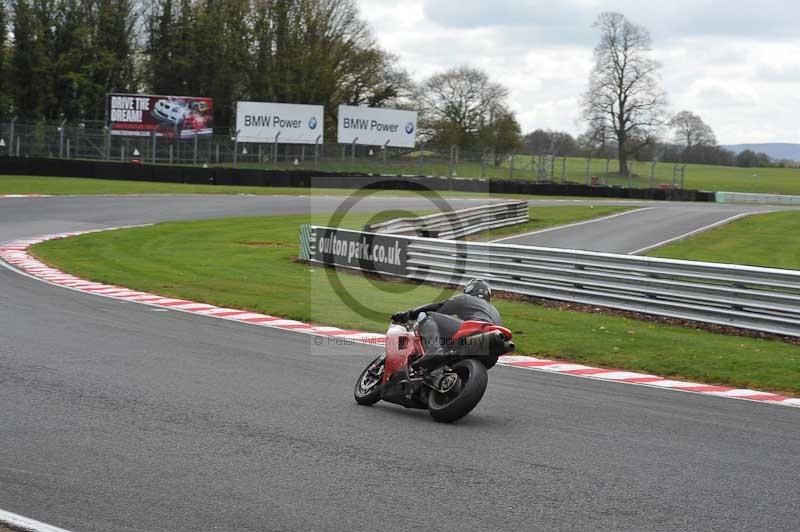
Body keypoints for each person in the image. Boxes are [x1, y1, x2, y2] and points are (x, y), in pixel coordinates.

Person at [391, 279, 501, 372]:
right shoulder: (495, 311)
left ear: (469, 290)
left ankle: (434, 350)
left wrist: (409, 314)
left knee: (430, 316)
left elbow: (439, 307)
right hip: (488, 352)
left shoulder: (465, 298)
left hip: (473, 331)